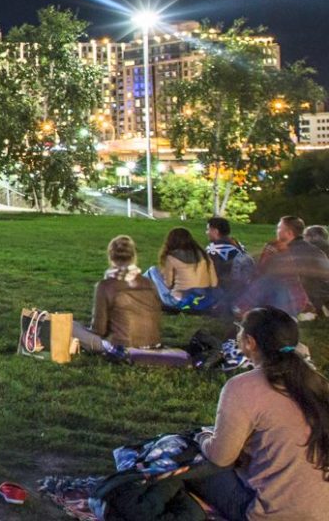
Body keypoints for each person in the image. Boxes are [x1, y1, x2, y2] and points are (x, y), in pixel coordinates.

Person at [191, 306, 329, 519]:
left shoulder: (242, 387)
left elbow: (221, 457)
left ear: (250, 342)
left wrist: (202, 437)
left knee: (194, 468)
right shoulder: (319, 384)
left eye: (240, 331)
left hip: (272, 514)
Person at [70, 235, 188, 366]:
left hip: (122, 348)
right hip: (154, 344)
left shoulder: (106, 285)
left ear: (110, 256)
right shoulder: (149, 283)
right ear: (134, 257)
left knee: (71, 326)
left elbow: (99, 330)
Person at [144, 226, 218, 311]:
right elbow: (214, 283)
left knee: (152, 271)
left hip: (178, 302)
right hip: (201, 301)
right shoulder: (205, 257)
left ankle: (134, 293)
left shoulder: (171, 258)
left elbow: (168, 284)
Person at [207, 217, 258, 308]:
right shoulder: (238, 245)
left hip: (223, 290)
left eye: (208, 229)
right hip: (243, 289)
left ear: (215, 231)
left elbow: (212, 274)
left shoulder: (214, 249)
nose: (206, 232)